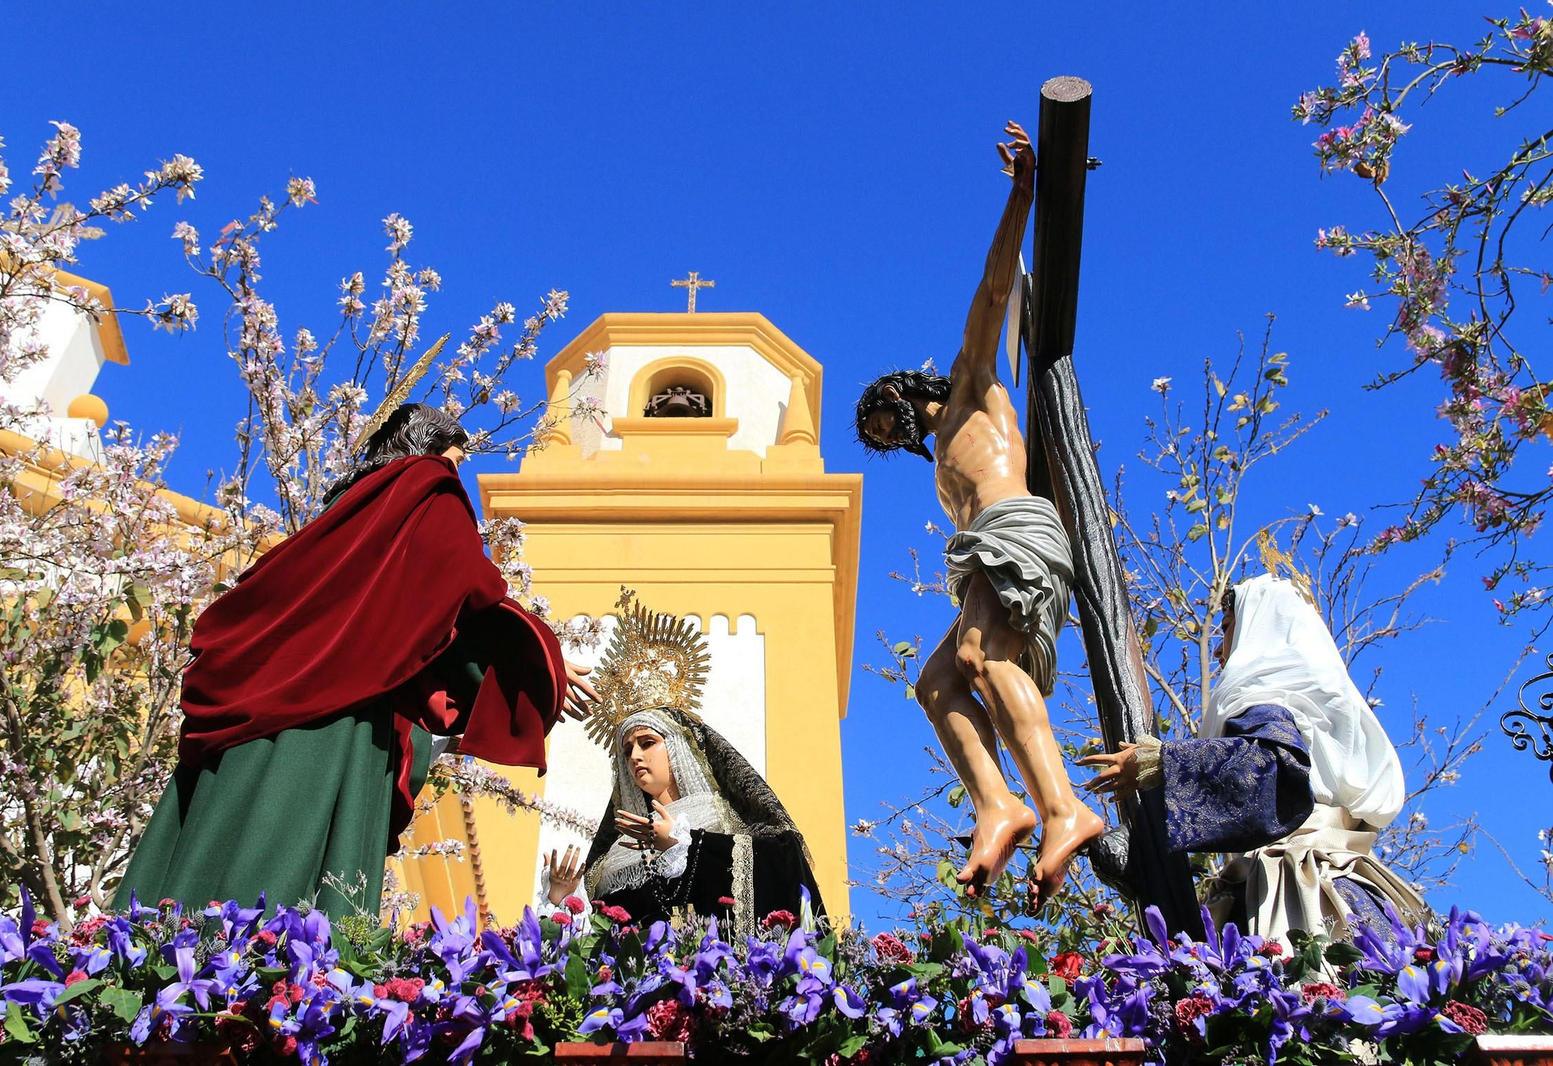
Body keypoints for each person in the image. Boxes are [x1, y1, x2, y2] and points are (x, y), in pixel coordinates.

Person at [116, 404, 597, 920]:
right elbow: (455, 585)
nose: (456, 473)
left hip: (249, 717)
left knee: (202, 875)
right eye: (456, 459)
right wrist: (535, 659)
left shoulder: (343, 510)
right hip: (330, 719)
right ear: (430, 449)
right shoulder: (425, 486)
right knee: (284, 893)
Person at [855, 120, 1101, 912]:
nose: (886, 435)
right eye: (879, 438)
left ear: (907, 392)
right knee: (936, 683)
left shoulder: (970, 387)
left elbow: (995, 291)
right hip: (985, 552)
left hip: (1016, 529)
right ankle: (999, 804)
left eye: (884, 419)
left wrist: (1022, 191)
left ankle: (1063, 808)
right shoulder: (939, 465)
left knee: (982, 657)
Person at [1080, 574, 1426, 943]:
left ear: (1260, 625)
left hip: (1297, 894)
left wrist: (1163, 762)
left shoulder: (1270, 694)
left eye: (1227, 626)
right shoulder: (1321, 702)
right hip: (1347, 889)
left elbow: (1272, 773)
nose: (1218, 650)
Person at [539, 594, 822, 937]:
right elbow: (602, 939)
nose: (635, 756)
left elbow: (783, 858)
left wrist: (688, 845)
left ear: (677, 748)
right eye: (627, 750)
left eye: (647, 743)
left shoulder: (722, 816)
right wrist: (561, 898)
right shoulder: (615, 855)